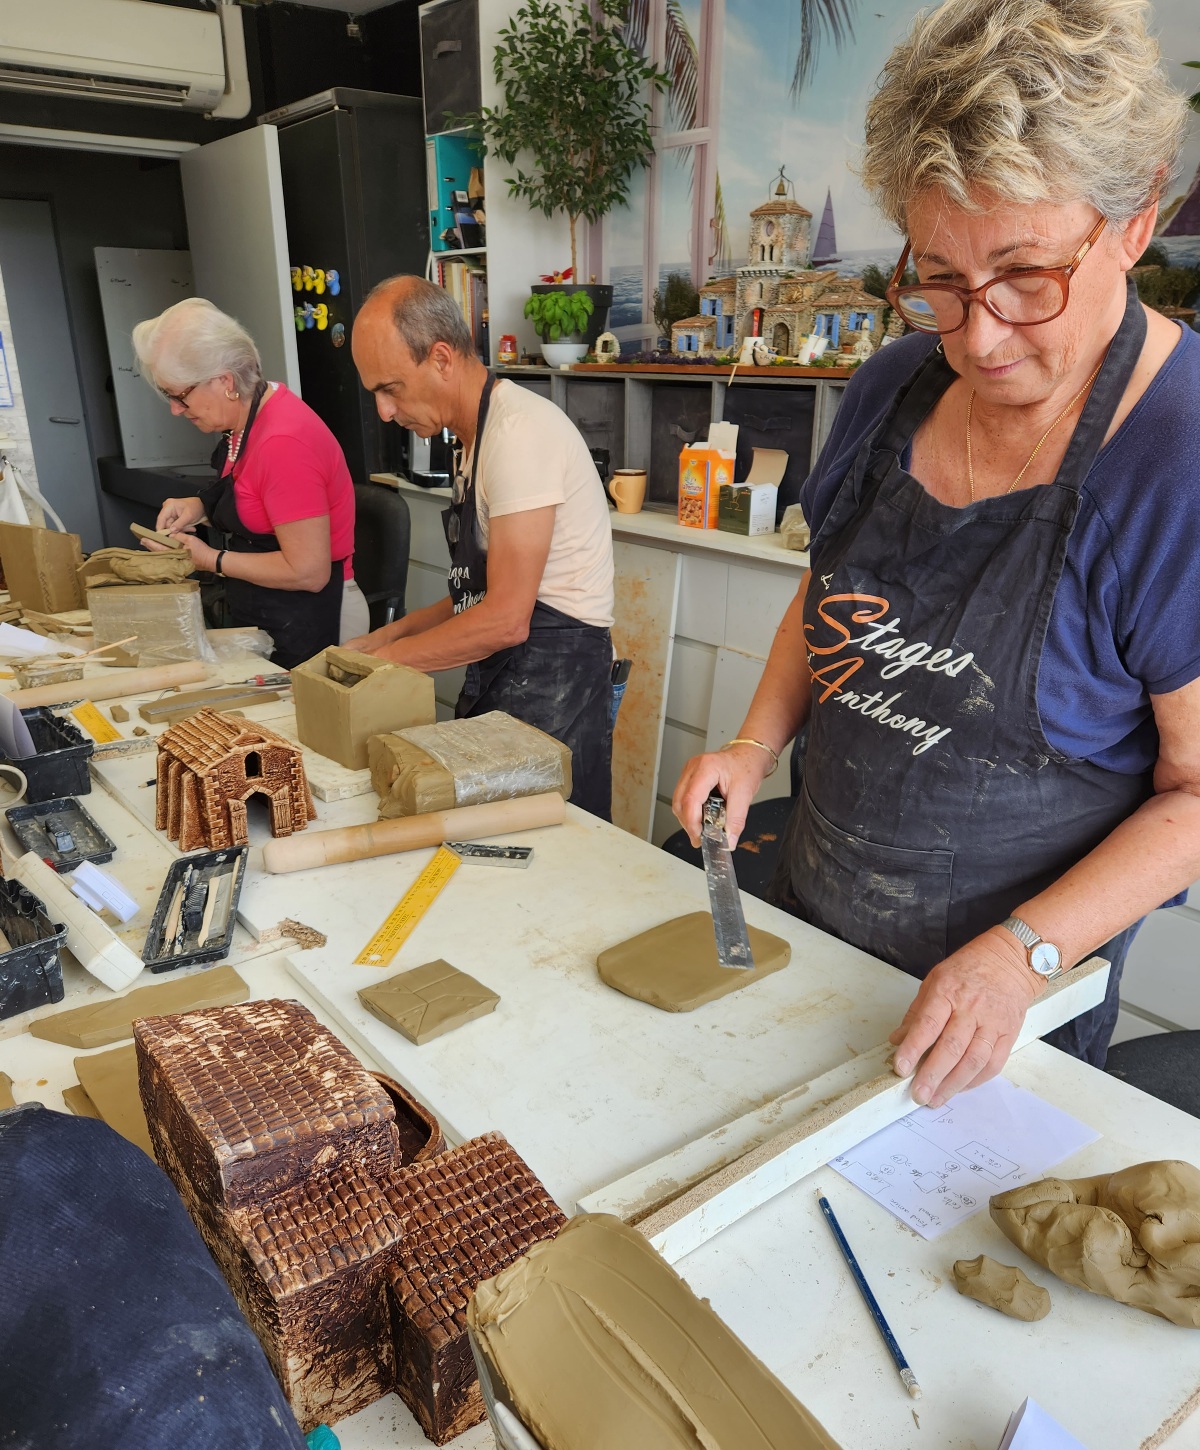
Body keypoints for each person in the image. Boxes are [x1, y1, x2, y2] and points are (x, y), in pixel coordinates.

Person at [674, 0, 1200, 1108]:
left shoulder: (1179, 461)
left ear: (1136, 218)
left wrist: (1024, 954)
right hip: (814, 922)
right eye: (941, 277)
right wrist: (754, 745)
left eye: (1024, 275)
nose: (980, 336)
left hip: (1001, 1013)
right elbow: (831, 597)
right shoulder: (887, 388)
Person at [349, 276, 616, 819]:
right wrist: (386, 637)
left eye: (391, 388)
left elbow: (505, 620)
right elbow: (478, 595)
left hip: (554, 686)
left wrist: (385, 667)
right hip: (507, 675)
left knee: (550, 857)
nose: (383, 410)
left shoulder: (519, 437)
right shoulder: (472, 443)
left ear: (442, 358)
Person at [132, 298, 368, 669]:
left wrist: (209, 559)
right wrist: (200, 508)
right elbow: (252, 492)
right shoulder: (250, 413)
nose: (175, 409)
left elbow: (308, 572)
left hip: (314, 617)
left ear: (224, 381)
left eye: (179, 395)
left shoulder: (283, 443)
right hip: (272, 608)